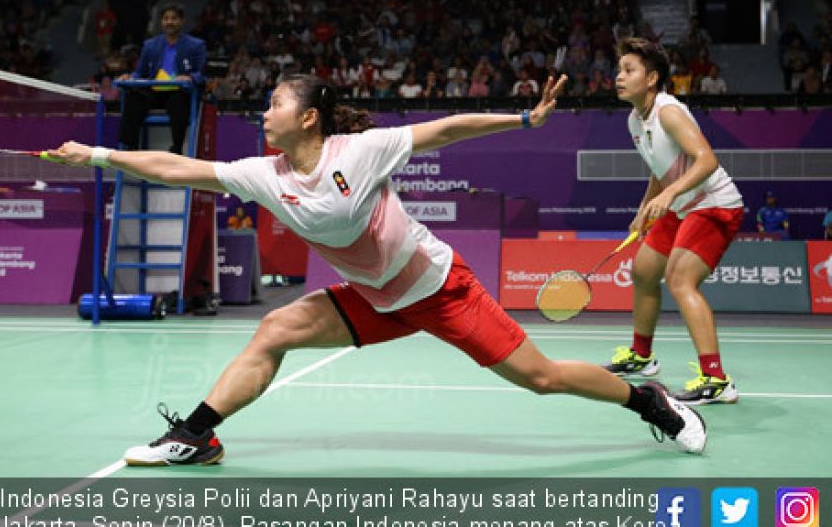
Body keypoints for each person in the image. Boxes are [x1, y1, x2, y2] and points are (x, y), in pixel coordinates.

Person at [49, 73, 706, 466]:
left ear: (307, 116)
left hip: (438, 288)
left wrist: (525, 117)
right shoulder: (262, 174)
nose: (263, 113)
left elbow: (445, 130)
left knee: (540, 378)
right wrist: (98, 155)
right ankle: (196, 436)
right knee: (275, 330)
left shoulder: (359, 151)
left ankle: (645, 399)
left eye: (275, 103)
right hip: (372, 297)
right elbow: (177, 168)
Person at [605, 37, 744, 406]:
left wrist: (668, 197)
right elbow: (659, 170)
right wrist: (645, 207)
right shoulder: (636, 120)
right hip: (681, 205)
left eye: (629, 70)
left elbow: (706, 160)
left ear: (651, 79)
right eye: (619, 70)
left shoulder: (668, 112)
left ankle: (716, 379)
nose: (619, 76)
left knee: (682, 281)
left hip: (713, 204)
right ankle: (641, 356)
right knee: (644, 271)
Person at [117, 4, 206, 153]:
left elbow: (202, 73)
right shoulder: (150, 45)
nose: (169, 22)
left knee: (178, 102)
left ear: (182, 21)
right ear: (161, 22)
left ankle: (176, 148)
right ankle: (129, 148)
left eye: (174, 18)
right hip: (154, 91)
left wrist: (189, 77)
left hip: (179, 92)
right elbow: (141, 72)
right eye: (166, 18)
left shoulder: (196, 45)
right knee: (133, 99)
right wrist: (130, 77)